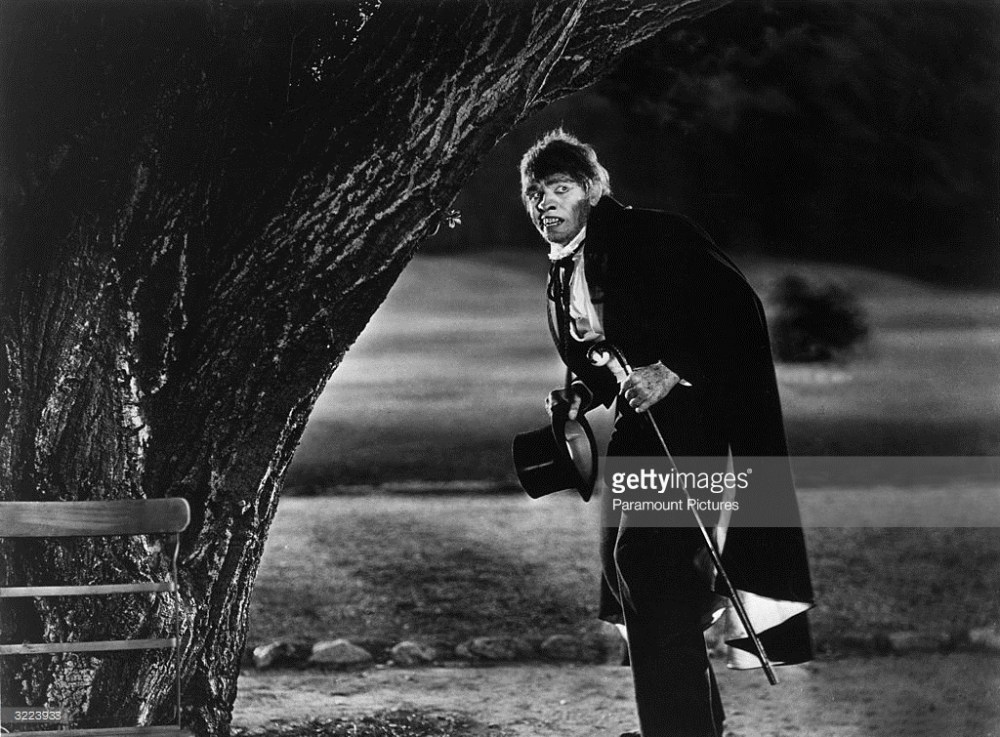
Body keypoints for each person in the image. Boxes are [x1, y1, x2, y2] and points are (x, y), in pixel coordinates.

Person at [519, 129, 815, 737]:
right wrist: (582, 394)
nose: (545, 203)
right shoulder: (564, 267)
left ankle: (679, 729)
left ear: (593, 189)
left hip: (693, 427)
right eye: (535, 194)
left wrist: (671, 368)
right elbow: (607, 353)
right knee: (646, 578)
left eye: (560, 188)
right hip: (641, 432)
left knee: (647, 567)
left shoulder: (653, 234)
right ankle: (695, 726)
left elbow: (735, 309)